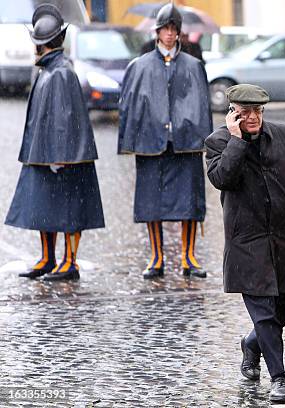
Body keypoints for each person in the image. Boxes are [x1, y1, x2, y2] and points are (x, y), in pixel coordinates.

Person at [205, 84, 285, 404]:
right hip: (247, 245)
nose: (252, 117)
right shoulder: (219, 142)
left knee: (279, 313)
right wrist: (237, 140)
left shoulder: (283, 135)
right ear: (233, 113)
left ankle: (252, 345)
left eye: (257, 111)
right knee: (265, 315)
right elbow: (222, 178)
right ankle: (279, 379)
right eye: (245, 112)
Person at [5, 4, 105, 281]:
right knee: (45, 208)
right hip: (45, 155)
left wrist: (60, 155)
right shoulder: (50, 70)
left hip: (62, 158)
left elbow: (65, 119)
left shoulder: (60, 72)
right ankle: (49, 258)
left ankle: (69, 262)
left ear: (41, 44)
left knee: (70, 209)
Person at [118, 2, 212, 279]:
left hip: (185, 144)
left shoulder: (194, 66)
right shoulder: (140, 66)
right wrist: (131, 140)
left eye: (174, 29)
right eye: (165, 29)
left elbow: (202, 106)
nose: (170, 34)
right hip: (152, 144)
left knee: (190, 203)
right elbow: (130, 106)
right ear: (157, 31)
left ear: (180, 32)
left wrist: (202, 139)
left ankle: (188, 257)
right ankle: (156, 257)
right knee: (151, 203)